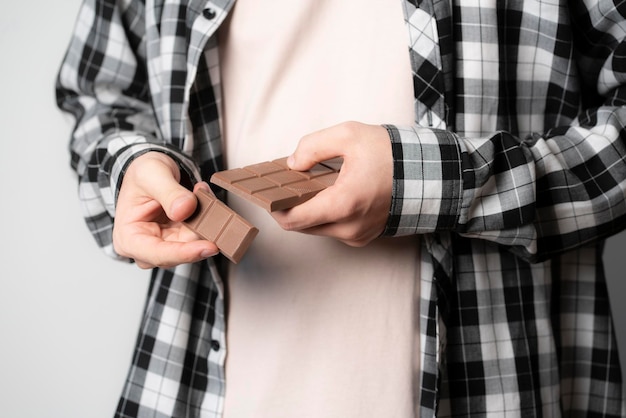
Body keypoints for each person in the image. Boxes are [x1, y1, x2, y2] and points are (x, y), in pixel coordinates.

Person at [55, 0, 626, 416]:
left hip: (492, 390)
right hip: (196, 390)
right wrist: (130, 167)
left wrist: (435, 182)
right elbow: (102, 99)